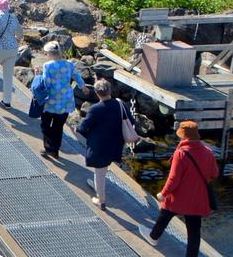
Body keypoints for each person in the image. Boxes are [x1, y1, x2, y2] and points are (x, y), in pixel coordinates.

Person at [138, 120, 218, 257]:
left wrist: (163, 193)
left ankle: (153, 237)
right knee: (194, 231)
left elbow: (173, 179)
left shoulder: (180, 153)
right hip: (197, 199)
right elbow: (214, 173)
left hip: (178, 197)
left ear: (184, 136)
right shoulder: (208, 152)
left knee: (165, 214)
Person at [76, 78, 132, 211]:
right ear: (110, 91)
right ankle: (98, 187)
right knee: (104, 167)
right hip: (116, 143)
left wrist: (76, 129)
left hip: (100, 146)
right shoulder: (120, 105)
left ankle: (101, 200)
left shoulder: (95, 109)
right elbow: (131, 120)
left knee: (99, 172)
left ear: (97, 93)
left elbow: (83, 127)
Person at [35, 40, 86, 158]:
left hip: (51, 100)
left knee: (45, 125)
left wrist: (37, 75)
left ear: (50, 53)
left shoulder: (48, 66)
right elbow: (77, 76)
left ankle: (49, 147)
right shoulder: (69, 64)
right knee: (58, 127)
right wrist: (83, 86)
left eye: (46, 53)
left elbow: (47, 83)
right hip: (65, 101)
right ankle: (55, 150)